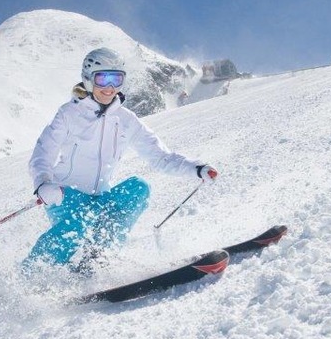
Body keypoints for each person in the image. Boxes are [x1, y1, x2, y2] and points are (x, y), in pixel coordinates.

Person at [24, 48, 217, 274]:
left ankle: (95, 263)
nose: (110, 87)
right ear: (88, 79)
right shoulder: (69, 114)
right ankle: (33, 277)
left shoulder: (125, 120)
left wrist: (196, 169)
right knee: (77, 225)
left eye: (116, 79)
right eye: (102, 78)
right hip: (66, 197)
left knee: (138, 189)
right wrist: (43, 183)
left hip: (101, 198)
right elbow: (42, 153)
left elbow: (160, 156)